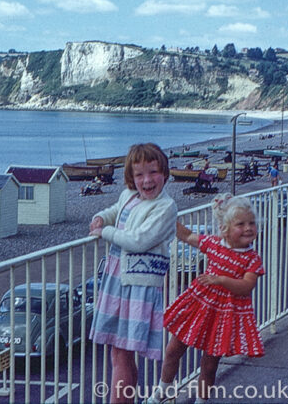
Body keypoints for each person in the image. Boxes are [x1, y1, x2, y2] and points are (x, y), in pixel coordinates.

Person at [147, 194, 264, 404]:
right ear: (225, 228)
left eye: (251, 223)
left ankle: (201, 401)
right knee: (174, 350)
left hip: (224, 315)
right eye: (241, 224)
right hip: (198, 307)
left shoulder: (252, 259)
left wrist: (220, 280)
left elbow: (246, 286)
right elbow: (188, 236)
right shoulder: (214, 244)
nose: (248, 228)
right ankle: (161, 393)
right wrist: (165, 217)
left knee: (209, 365)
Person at [88, 143, 177, 404]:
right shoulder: (129, 194)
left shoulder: (165, 207)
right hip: (117, 279)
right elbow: (116, 211)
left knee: (123, 351)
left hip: (139, 285)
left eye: (153, 172)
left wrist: (104, 233)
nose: (147, 180)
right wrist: (101, 219)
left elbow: (139, 240)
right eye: (140, 175)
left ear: (164, 174)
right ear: (132, 178)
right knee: (119, 353)